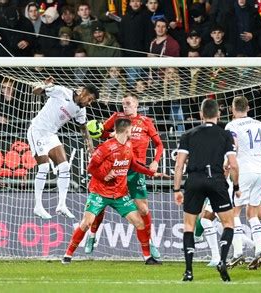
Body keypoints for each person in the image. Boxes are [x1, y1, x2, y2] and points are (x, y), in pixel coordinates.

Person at [62, 118, 165, 265]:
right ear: (127, 130)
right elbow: (90, 168)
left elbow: (133, 165)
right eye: (131, 130)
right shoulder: (106, 147)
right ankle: (67, 255)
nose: (132, 133)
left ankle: (148, 258)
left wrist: (151, 173)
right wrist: (105, 175)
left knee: (139, 223)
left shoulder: (128, 145)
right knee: (86, 223)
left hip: (119, 194)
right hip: (100, 192)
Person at [84, 93, 164, 259]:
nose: (125, 106)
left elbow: (159, 144)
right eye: (123, 104)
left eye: (128, 103)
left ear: (136, 104)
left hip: (135, 169)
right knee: (101, 203)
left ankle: (149, 242)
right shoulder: (117, 118)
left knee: (143, 208)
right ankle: (92, 235)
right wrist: (109, 135)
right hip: (116, 167)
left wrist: (156, 161)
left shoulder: (146, 122)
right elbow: (101, 133)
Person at [173, 98, 240, 282]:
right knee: (228, 224)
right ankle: (223, 261)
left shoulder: (188, 134)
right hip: (217, 180)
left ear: (201, 114)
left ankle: (188, 271)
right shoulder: (225, 135)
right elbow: (233, 165)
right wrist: (236, 186)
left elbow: (179, 165)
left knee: (189, 226)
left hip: (194, 181)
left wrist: (177, 189)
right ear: (219, 114)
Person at [225, 96, 261, 270]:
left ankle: (237, 253)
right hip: (260, 172)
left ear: (232, 109)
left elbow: (233, 148)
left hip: (244, 171)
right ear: (248, 108)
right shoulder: (258, 124)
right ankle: (258, 251)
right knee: (252, 212)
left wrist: (227, 164)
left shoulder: (232, 125)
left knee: (234, 213)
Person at [28, 77, 99, 219]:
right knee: (44, 168)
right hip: (37, 131)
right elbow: (35, 91)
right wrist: (45, 86)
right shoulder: (62, 92)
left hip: (51, 134)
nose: (89, 103)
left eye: (91, 101)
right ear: (83, 92)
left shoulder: (81, 110)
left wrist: (90, 147)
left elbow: (83, 128)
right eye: (89, 99)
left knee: (65, 166)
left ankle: (61, 205)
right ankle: (38, 206)